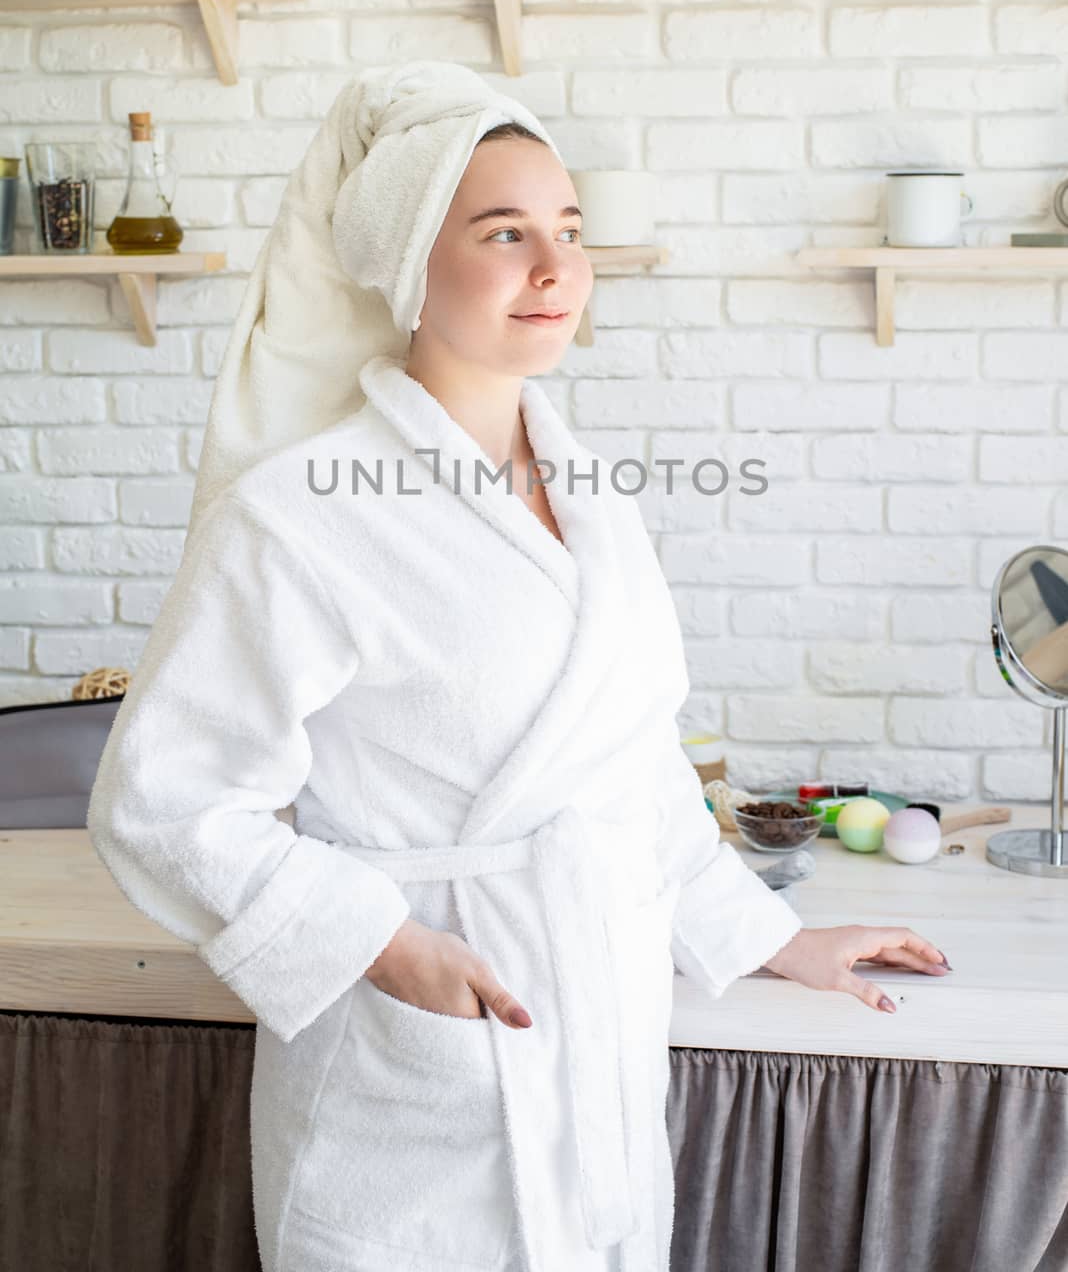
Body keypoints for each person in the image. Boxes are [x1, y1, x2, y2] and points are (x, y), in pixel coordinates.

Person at [87, 62, 948, 1272]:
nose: (555, 269)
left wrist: (766, 936)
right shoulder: (292, 518)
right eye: (504, 233)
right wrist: (384, 943)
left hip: (593, 1051)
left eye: (569, 230)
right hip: (412, 1069)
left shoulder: (591, 494)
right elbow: (164, 803)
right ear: (405, 265)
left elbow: (633, 763)